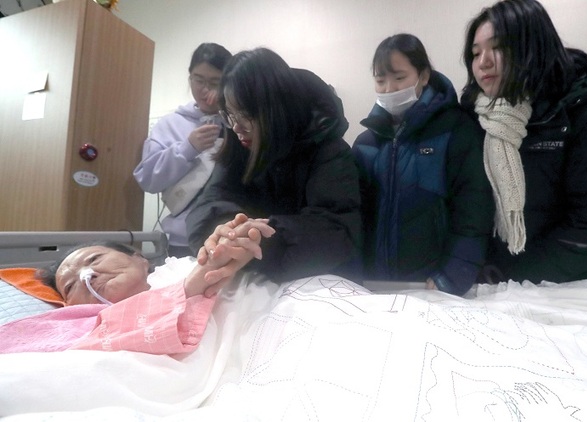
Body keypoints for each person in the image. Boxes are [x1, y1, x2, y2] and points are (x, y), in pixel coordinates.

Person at [460, 0, 587, 286]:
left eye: (497, 47)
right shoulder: (473, 123)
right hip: (484, 291)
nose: (483, 62)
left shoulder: (586, 123)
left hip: (559, 294)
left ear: (534, 47)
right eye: (475, 53)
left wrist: (521, 278)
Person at [186, 47, 363, 283]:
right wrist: (230, 233)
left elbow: (336, 231)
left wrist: (256, 238)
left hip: (320, 286)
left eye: (246, 115)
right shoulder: (239, 146)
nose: (237, 127)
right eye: (230, 115)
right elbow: (209, 206)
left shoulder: (329, 151)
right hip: (258, 283)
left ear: (277, 110)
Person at [0, 214, 273, 354]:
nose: (87, 276)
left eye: (95, 259)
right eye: (70, 287)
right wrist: (195, 284)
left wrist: (234, 244)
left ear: (140, 259)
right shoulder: (81, 329)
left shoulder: (183, 268)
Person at [351, 33, 494, 296]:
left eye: (399, 78)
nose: (389, 89)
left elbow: (473, 211)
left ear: (424, 76)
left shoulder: (455, 130)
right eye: (380, 80)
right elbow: (353, 217)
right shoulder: (365, 144)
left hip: (435, 287)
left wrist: (453, 274)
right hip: (374, 288)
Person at [133, 43, 232, 258]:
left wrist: (230, 118)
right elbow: (148, 180)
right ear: (190, 78)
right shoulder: (170, 124)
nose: (205, 90)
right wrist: (187, 149)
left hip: (233, 236)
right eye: (199, 80)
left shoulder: (239, 123)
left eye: (215, 82)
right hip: (184, 239)